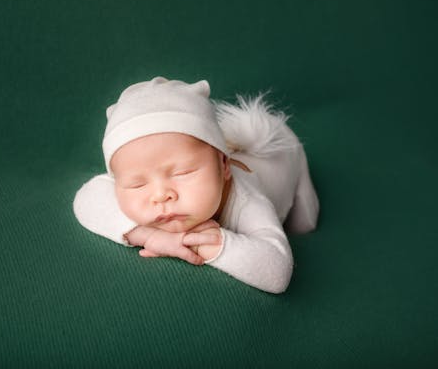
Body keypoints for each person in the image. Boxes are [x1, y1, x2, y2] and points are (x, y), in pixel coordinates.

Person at [73, 76, 319, 293]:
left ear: (224, 165)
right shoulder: (145, 190)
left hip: (286, 152)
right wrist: (146, 235)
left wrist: (214, 245)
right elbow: (86, 197)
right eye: (137, 185)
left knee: (304, 223)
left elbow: (277, 271)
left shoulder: (246, 199)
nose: (160, 195)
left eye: (183, 172)